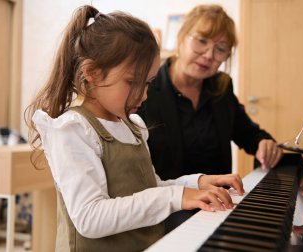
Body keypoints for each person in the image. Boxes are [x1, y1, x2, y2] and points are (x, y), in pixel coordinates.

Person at [25, 5, 245, 252]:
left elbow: (150, 189)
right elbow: (90, 218)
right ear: (92, 73)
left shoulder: (132, 127)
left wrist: (197, 183)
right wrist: (177, 197)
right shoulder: (73, 130)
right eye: (132, 82)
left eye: (149, 83)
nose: (144, 95)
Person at [137, 4, 282, 232]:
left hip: (218, 202)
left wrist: (263, 142)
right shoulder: (147, 90)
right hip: (170, 206)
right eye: (202, 41)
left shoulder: (221, 88)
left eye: (221, 49)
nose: (208, 56)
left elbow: (248, 133)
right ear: (182, 36)